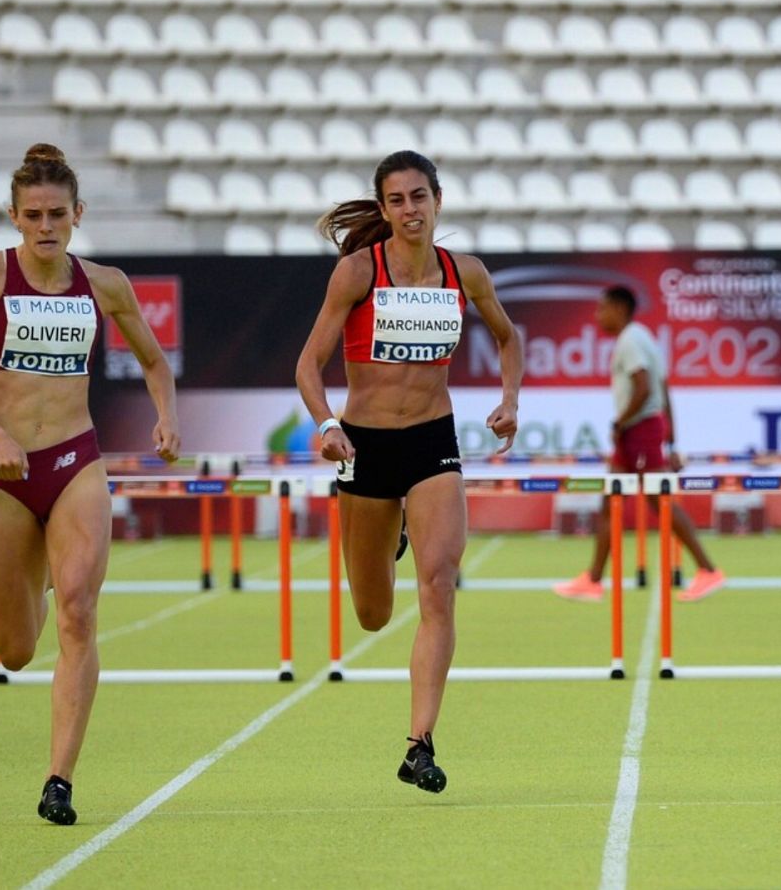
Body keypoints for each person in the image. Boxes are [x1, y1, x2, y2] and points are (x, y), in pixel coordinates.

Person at [0, 143, 180, 825]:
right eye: (34, 215)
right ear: (14, 216)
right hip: (5, 473)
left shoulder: (104, 284)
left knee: (79, 611)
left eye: (57, 214)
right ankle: (40, 571)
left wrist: (166, 418)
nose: (46, 226)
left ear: (79, 214)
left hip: (77, 463)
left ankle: (59, 781)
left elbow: (156, 364)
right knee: (15, 651)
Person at [296, 149, 522, 794]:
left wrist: (509, 401)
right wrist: (327, 425)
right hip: (365, 447)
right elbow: (308, 366)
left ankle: (419, 742)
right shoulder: (356, 273)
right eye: (396, 200)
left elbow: (508, 337)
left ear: (438, 200)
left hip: (432, 441)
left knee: (439, 584)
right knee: (371, 615)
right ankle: (390, 526)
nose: (409, 210)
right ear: (384, 208)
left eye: (419, 197)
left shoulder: (465, 272)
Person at [552, 286, 726, 603]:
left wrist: (621, 422)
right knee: (609, 500)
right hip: (638, 429)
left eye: (601, 309)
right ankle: (592, 579)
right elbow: (663, 388)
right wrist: (671, 439)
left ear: (619, 309)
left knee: (659, 501)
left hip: (639, 428)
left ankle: (708, 570)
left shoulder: (631, 339)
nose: (597, 316)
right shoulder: (642, 338)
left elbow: (645, 388)